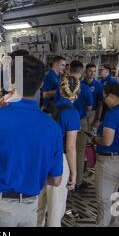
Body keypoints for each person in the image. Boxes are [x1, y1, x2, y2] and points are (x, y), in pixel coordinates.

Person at [0, 55, 63, 227]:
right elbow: (56, 180)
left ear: (12, 82)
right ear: (41, 84)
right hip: (30, 208)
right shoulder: (52, 127)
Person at [38, 75, 80, 227]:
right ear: (77, 92)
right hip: (59, 160)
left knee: (38, 206)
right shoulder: (72, 113)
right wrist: (74, 174)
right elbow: (70, 147)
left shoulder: (49, 108)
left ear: (60, 91)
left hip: (42, 159)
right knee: (56, 208)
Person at [93, 83, 119, 226]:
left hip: (109, 162)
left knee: (104, 202)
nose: (104, 101)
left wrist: (94, 139)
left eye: (105, 98)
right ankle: (114, 224)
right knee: (116, 197)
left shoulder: (112, 114)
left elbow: (107, 141)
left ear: (111, 96)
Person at [68, 61, 93, 191]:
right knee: (79, 152)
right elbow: (89, 106)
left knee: (65, 150)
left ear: (69, 69)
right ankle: (77, 181)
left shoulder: (61, 85)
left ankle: (65, 179)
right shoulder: (84, 87)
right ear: (81, 71)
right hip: (79, 121)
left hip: (63, 122)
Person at [82, 63, 104, 140]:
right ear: (85, 71)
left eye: (94, 71)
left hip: (93, 113)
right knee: (81, 134)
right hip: (82, 112)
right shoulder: (80, 84)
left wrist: (98, 119)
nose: (92, 73)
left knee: (90, 136)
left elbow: (100, 103)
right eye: (90, 71)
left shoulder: (98, 85)